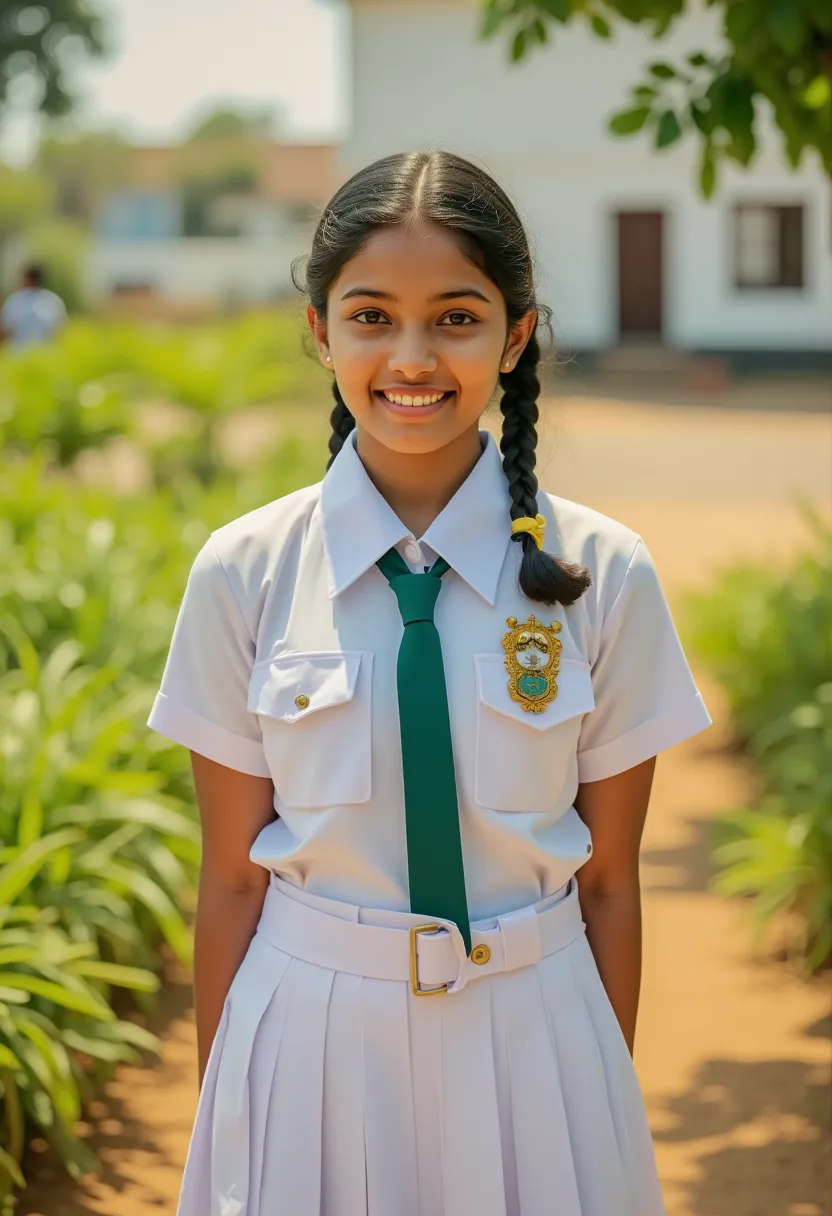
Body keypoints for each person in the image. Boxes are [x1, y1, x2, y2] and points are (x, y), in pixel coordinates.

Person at [148, 150, 713, 1216]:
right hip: (309, 1037)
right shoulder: (246, 570)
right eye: (370, 316)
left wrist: (590, 1088)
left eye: (455, 317)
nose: (411, 356)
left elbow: (608, 883)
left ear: (515, 334)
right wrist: (230, 1108)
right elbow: (229, 879)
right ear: (320, 331)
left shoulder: (601, 571)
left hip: (534, 1031)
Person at [0, 262, 67, 350]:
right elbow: (61, 330)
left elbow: (5, 330)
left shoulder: (14, 301)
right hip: (45, 355)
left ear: (28, 278)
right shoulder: (53, 301)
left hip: (19, 354)